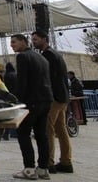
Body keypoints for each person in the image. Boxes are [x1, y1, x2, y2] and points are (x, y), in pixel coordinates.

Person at [10, 33, 53, 180]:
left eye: (14, 42)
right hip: (46, 101)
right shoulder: (42, 57)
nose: (12, 45)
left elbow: (22, 82)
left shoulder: (22, 57)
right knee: (42, 135)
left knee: (23, 134)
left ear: (23, 42)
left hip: (31, 102)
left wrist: (16, 101)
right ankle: (43, 168)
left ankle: (29, 169)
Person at [32, 30, 73, 175]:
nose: (34, 42)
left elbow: (47, 78)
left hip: (54, 98)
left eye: (36, 39)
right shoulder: (56, 54)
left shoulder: (47, 55)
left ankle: (48, 163)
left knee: (48, 130)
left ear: (44, 39)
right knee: (61, 131)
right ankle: (66, 162)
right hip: (63, 97)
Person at [3, 62, 18, 140]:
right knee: (16, 114)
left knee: (9, 115)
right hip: (17, 96)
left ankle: (6, 133)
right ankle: (15, 132)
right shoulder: (16, 74)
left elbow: (6, 87)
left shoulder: (7, 75)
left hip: (9, 96)